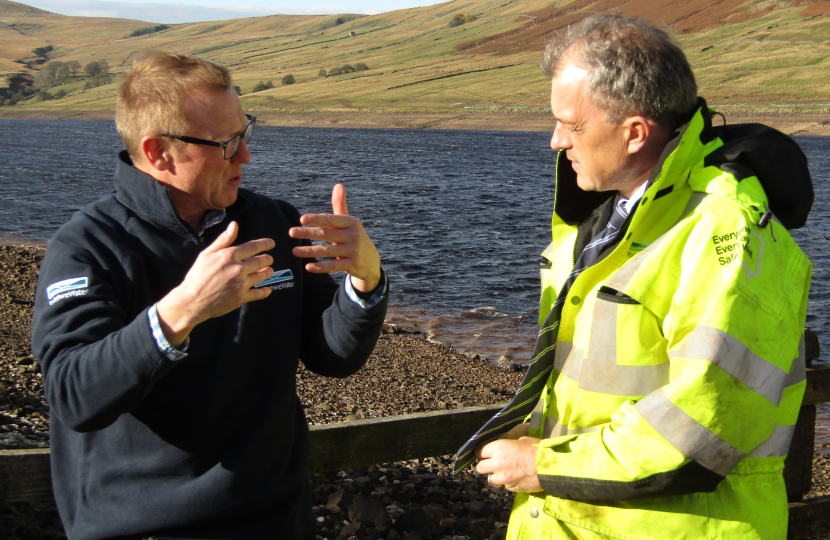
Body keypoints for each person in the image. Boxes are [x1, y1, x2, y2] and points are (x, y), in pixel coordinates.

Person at [457, 14, 814, 539]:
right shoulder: (611, 216)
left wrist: (543, 465)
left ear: (634, 133)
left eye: (573, 125)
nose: (556, 141)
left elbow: (703, 428)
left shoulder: (727, 236)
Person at [31, 51, 388, 540]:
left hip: (277, 522)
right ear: (158, 153)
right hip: (141, 528)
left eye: (246, 133)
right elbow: (74, 395)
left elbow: (332, 355)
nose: (245, 156)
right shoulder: (89, 246)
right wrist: (181, 311)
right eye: (226, 144)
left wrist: (365, 281)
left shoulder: (273, 222)